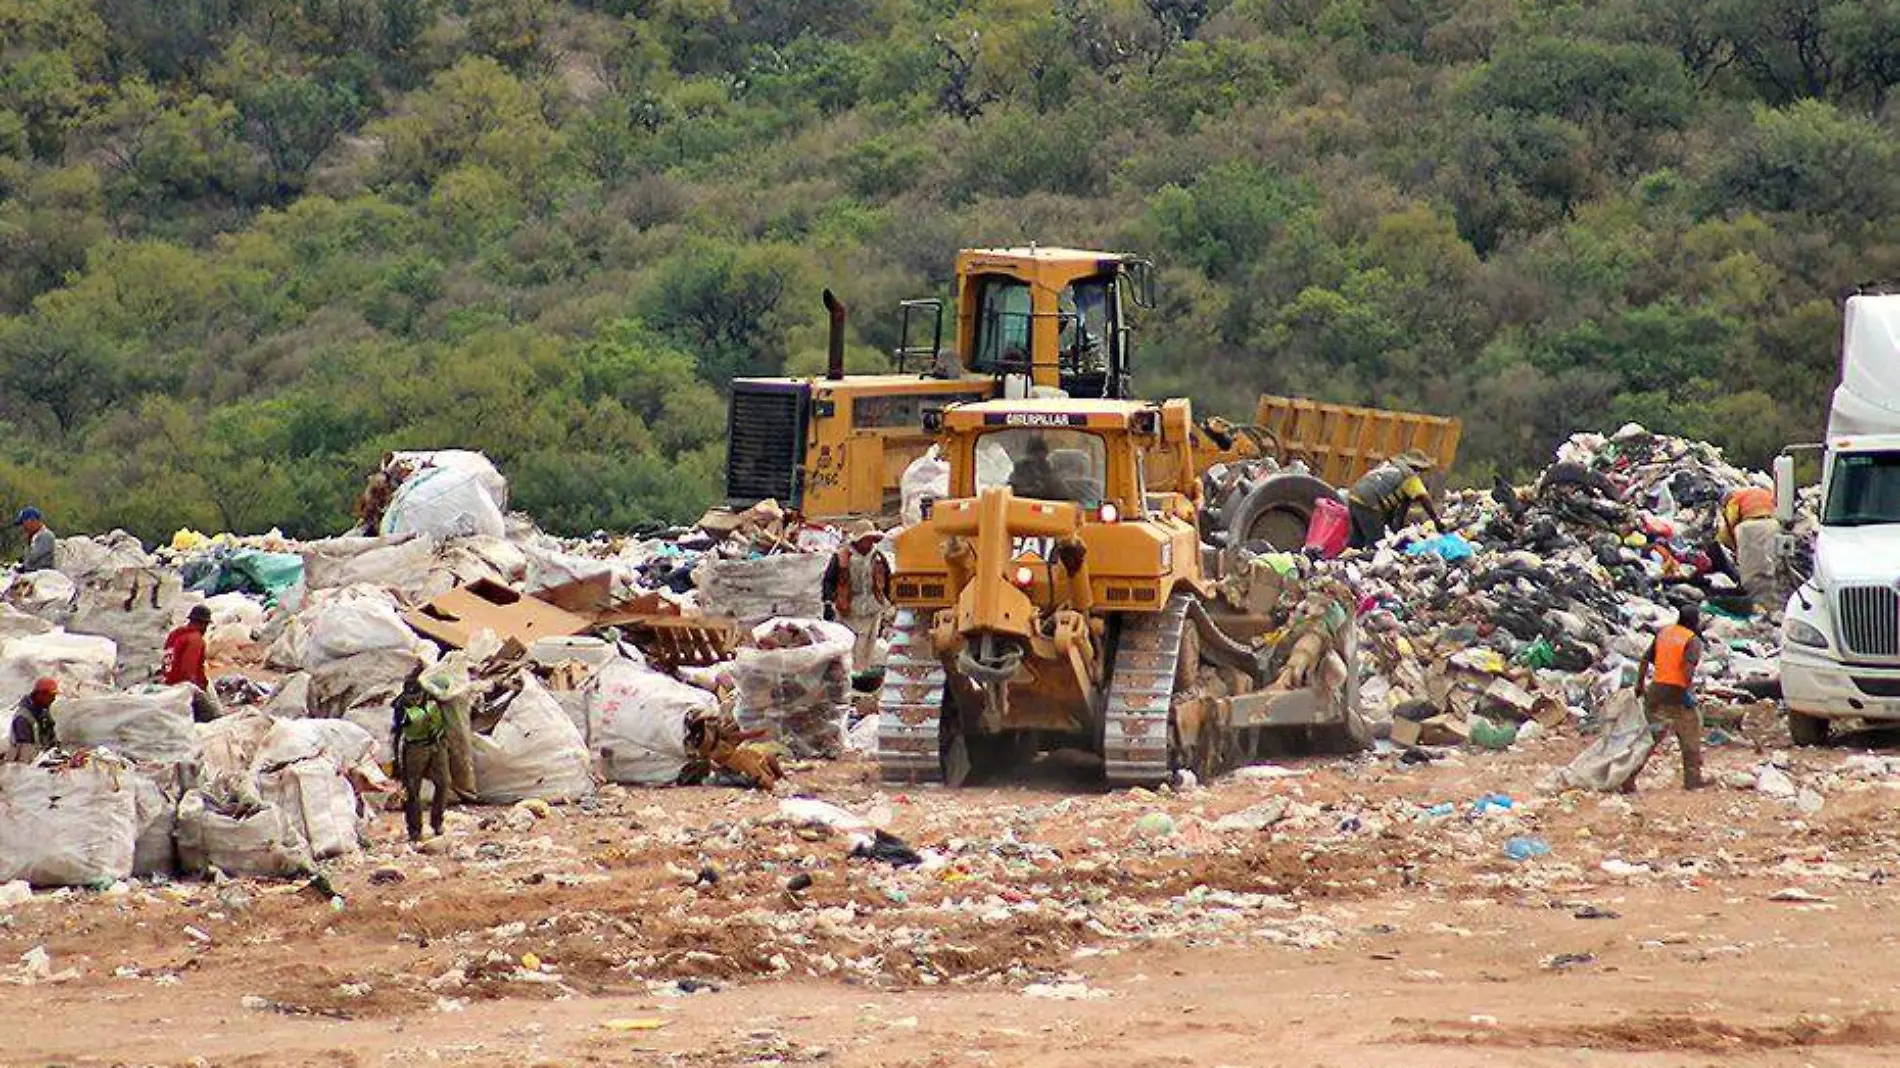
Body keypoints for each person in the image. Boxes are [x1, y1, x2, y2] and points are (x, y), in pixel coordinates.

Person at [1631, 604, 1707, 791]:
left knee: (1651, 736)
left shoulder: (1664, 633)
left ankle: (1628, 775)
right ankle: (1692, 779)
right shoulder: (1692, 640)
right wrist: (1687, 694)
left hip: (1656, 690)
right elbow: (1687, 671)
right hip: (1677, 691)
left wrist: (1639, 685)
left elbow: (1645, 659)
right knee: (1691, 729)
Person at [391, 672, 451, 844]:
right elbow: (397, 734)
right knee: (412, 790)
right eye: (412, 697)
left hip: (437, 745)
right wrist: (397, 760)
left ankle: (437, 822)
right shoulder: (401, 707)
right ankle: (415, 830)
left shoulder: (434, 697)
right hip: (415, 748)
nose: (415, 700)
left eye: (417, 696)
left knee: (444, 783)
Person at [830, 520, 893, 673]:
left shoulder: (878, 557)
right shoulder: (842, 557)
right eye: (866, 539)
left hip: (872, 607)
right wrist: (830, 601)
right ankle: (848, 676)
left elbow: (888, 579)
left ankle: (862, 674)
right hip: (849, 609)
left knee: (868, 645)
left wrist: (890, 600)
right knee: (849, 645)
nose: (869, 542)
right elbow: (830, 580)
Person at [1346, 449, 1443, 548]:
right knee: (1378, 544)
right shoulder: (1409, 476)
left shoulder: (1389, 465)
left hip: (1354, 495)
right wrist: (1437, 521)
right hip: (1370, 502)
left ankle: (1345, 559)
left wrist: (1396, 530)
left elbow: (1399, 510)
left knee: (1357, 539)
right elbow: (1424, 499)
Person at [1717, 485, 1781, 609]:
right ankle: (1774, 604)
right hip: (1773, 524)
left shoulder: (1734, 500)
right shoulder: (1761, 492)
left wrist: (1731, 547)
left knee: (1752, 573)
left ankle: (1757, 605)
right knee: (1771, 567)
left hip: (1750, 526)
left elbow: (1731, 523)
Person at [162, 605, 223, 722]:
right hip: (182, 690)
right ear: (203, 624)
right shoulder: (195, 639)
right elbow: (188, 673)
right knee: (216, 718)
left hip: (166, 685)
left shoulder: (174, 634)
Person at [6, 677, 58, 762]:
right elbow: (25, 754)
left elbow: (52, 742)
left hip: (42, 760)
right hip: (25, 767)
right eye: (51, 696)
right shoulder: (22, 719)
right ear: (40, 694)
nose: (53, 699)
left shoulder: (43, 713)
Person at [1008, 435, 1067, 501]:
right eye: (1034, 455)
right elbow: (1011, 490)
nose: (1035, 459)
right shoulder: (1021, 468)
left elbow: (1064, 496)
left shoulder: (1050, 473)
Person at [15, 507, 54, 573]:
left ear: (32, 521)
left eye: (23, 523)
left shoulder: (46, 536)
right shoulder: (34, 537)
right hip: (33, 573)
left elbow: (33, 558)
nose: (23, 527)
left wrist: (22, 567)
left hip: (43, 574)